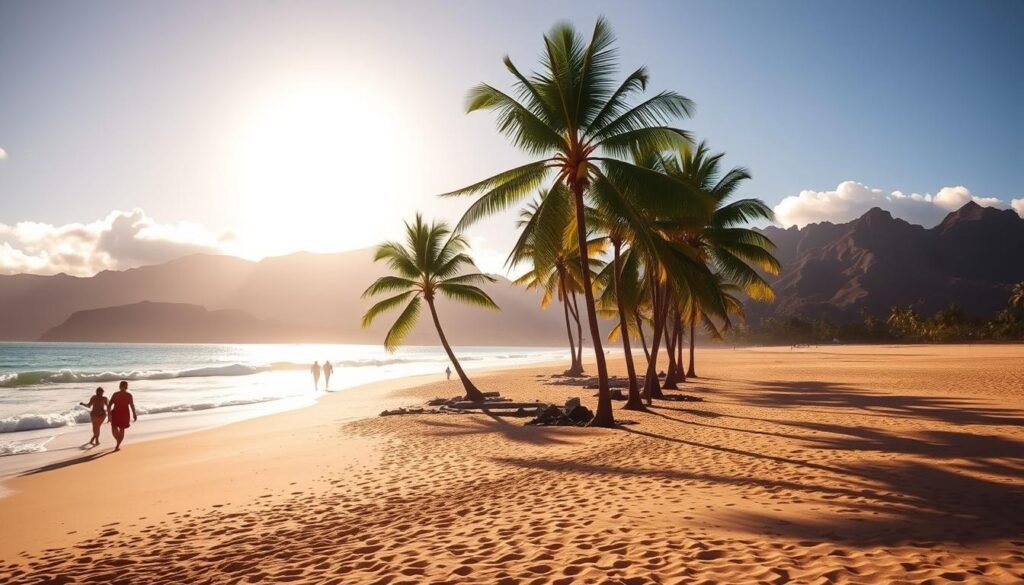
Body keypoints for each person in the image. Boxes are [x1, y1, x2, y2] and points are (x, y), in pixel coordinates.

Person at [108, 380, 137, 451]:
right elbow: (132, 406)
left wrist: (109, 415)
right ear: (127, 387)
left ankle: (118, 442)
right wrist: (134, 414)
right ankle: (118, 443)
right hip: (124, 414)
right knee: (121, 429)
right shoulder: (129, 395)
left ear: (120, 386)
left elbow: (109, 405)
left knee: (114, 428)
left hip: (116, 413)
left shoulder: (115, 394)